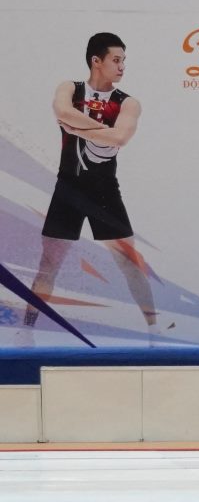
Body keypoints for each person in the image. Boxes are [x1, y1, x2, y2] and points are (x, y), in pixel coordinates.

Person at [15, 33, 160, 347]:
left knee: (129, 262)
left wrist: (79, 128)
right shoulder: (70, 88)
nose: (122, 67)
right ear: (97, 61)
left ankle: (155, 331)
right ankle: (26, 330)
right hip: (68, 188)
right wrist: (101, 130)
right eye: (116, 60)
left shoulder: (128, 102)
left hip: (105, 191)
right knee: (48, 263)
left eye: (124, 60)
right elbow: (63, 113)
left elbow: (120, 139)